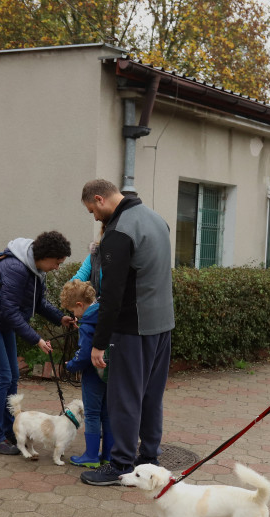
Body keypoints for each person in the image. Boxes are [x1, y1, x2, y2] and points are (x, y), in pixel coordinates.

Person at [78, 179, 175, 486]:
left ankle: (119, 464)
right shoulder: (156, 219)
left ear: (99, 199)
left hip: (133, 329)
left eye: (92, 210)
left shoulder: (119, 232)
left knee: (124, 398)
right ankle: (148, 458)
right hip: (163, 326)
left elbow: (112, 294)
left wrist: (99, 342)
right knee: (150, 396)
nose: (94, 217)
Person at [0, 231, 75, 455]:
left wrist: (59, 318)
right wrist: (36, 339)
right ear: (46, 256)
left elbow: (38, 303)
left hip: (1, 322)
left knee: (13, 375)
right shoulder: (16, 268)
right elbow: (9, 310)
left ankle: (10, 431)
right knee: (2, 378)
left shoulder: (35, 270)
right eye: (57, 262)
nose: (57, 267)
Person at [60, 279, 113, 468]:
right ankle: (108, 455)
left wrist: (71, 365)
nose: (74, 316)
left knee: (91, 414)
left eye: (73, 311)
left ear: (80, 305)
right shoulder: (103, 314)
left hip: (92, 374)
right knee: (107, 413)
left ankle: (91, 456)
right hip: (108, 372)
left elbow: (83, 355)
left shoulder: (87, 324)